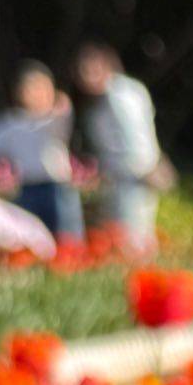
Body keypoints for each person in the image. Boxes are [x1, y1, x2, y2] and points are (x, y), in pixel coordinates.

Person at [0, 62, 84, 244]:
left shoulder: (57, 119)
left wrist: (62, 108)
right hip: (27, 189)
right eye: (30, 88)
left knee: (67, 242)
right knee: (33, 242)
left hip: (58, 188)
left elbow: (64, 119)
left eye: (41, 88)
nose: (36, 94)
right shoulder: (11, 124)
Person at [73, 43, 164, 251]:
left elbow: (138, 136)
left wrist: (146, 167)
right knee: (120, 236)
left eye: (92, 69)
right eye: (82, 72)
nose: (87, 77)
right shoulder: (99, 102)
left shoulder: (123, 94)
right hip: (116, 178)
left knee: (136, 236)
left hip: (135, 176)